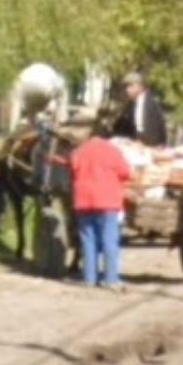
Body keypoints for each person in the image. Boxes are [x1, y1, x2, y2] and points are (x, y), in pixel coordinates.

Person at [70, 119, 131, 290]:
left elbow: (73, 169)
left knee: (88, 239)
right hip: (107, 200)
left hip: (83, 200)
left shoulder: (79, 151)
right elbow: (125, 172)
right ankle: (111, 279)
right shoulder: (113, 150)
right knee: (109, 239)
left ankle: (89, 279)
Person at [112, 70, 169, 147]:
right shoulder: (133, 104)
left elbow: (154, 130)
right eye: (126, 87)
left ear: (140, 86)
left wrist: (142, 144)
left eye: (130, 86)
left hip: (152, 147)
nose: (127, 90)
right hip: (136, 145)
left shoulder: (151, 103)